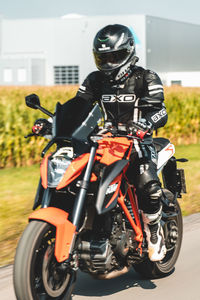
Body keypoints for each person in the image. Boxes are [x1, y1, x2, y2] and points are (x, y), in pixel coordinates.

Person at [33, 24, 168, 262]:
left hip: (138, 142)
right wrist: (50, 122)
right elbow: (78, 107)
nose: (108, 62)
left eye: (114, 57)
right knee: (73, 174)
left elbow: (160, 111)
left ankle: (154, 231)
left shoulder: (145, 77)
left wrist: (145, 124)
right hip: (105, 142)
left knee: (147, 183)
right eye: (103, 57)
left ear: (128, 52)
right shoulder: (95, 80)